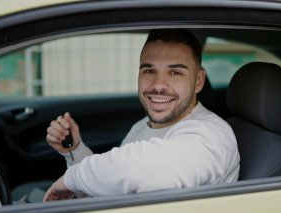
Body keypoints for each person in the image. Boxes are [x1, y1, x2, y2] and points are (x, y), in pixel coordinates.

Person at [43, 29, 240, 201]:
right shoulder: (142, 125)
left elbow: (140, 171)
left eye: (175, 73)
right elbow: (113, 187)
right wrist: (75, 150)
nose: (158, 85)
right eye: (149, 70)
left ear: (198, 81)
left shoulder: (212, 136)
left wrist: (73, 178)